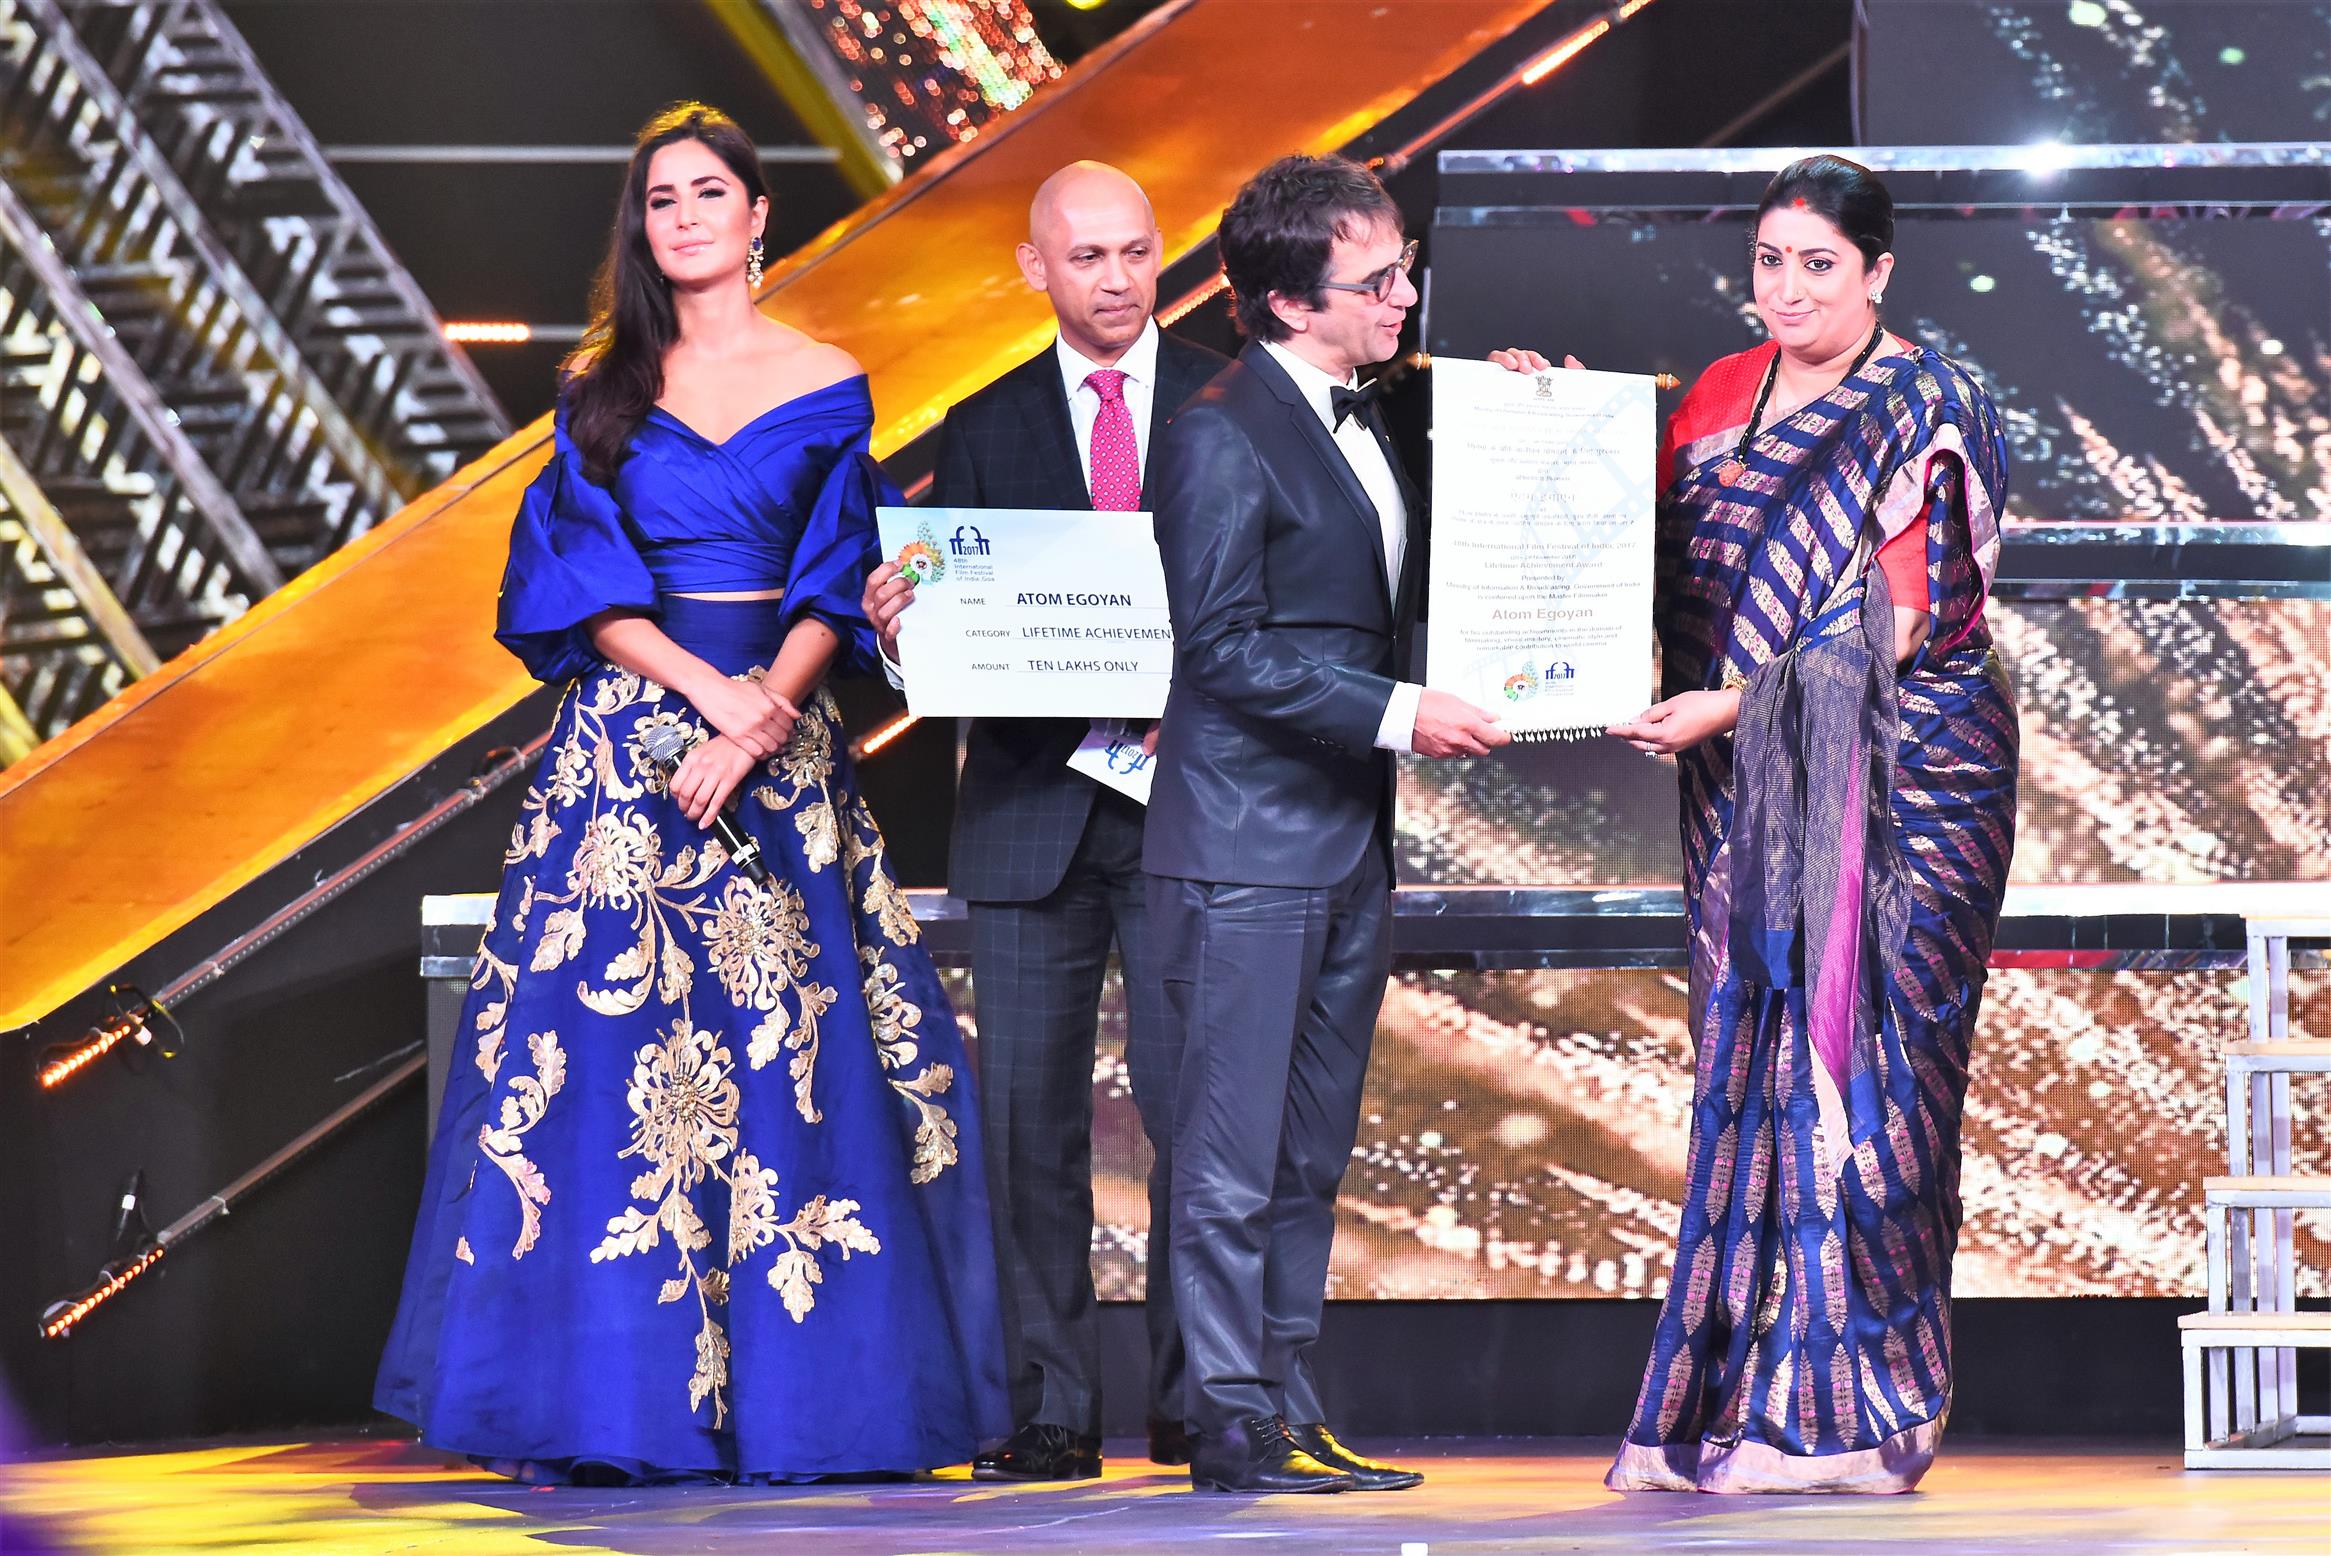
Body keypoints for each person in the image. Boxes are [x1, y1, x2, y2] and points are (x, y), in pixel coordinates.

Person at [374, 102, 1008, 1484]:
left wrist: (767, 706)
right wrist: (704, 697)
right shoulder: (599, 386)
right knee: (610, 1074)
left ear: (759, 211)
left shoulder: (833, 379)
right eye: (661, 199)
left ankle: (803, 1401)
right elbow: (569, 580)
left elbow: (840, 569)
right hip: (626, 762)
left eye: (709, 192)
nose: (686, 216)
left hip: (781, 769)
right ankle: (614, 1408)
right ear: (641, 227)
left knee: (800, 1066)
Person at [1502, 153, 2015, 1494]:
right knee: (1748, 1071)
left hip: (1909, 784)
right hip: (1740, 790)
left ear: (1880, 272)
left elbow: (1900, 628)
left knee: (1869, 1070)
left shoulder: (1931, 404)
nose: (1787, 290)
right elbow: (1629, 557)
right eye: (1770, 263)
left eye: (1818, 266)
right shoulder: (1719, 397)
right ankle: (1734, 1403)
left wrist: (1727, 709)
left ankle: (1861, 1416)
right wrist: (1541, 429)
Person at [1144, 154, 1509, 1495]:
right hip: (1243, 849)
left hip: (1344, 842)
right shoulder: (1217, 429)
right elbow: (1222, 648)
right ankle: (1227, 1419)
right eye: (1380, 279)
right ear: (1293, 303)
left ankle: (1284, 1399)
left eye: (1406, 269)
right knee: (1231, 1162)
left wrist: (1520, 401)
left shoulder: (1369, 407)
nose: (1405, 296)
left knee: (1306, 1154)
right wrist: (1402, 711)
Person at [861, 161, 1227, 1481]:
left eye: (1137, 252)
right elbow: (956, 628)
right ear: (1036, 269)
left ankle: (1205, 1403)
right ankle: (1053, 1409)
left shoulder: (1235, 401)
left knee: (1204, 1122)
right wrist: (905, 631)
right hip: (1029, 812)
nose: (1119, 278)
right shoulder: (986, 421)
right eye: (1089, 257)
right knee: (1026, 1130)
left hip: (1194, 808)